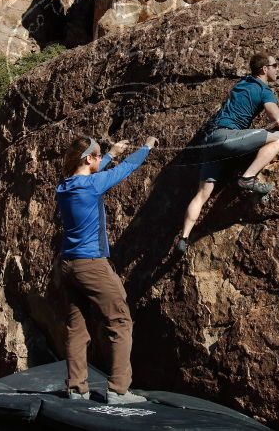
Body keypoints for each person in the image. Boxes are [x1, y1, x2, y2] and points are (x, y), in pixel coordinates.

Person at [56, 135, 158, 404]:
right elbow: (125, 170)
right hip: (92, 265)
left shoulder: (64, 187)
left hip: (67, 265)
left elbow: (94, 174)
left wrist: (111, 152)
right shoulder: (92, 185)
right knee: (120, 321)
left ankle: (76, 389)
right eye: (98, 155)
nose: (101, 159)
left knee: (76, 328)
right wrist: (145, 148)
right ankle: (118, 390)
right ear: (88, 159)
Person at [176, 52, 279, 253]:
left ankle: (184, 238)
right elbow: (278, 120)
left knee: (202, 194)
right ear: (264, 69)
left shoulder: (243, 83)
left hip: (210, 141)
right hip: (228, 138)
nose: (278, 68)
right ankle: (248, 178)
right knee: (278, 137)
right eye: (275, 65)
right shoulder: (263, 89)